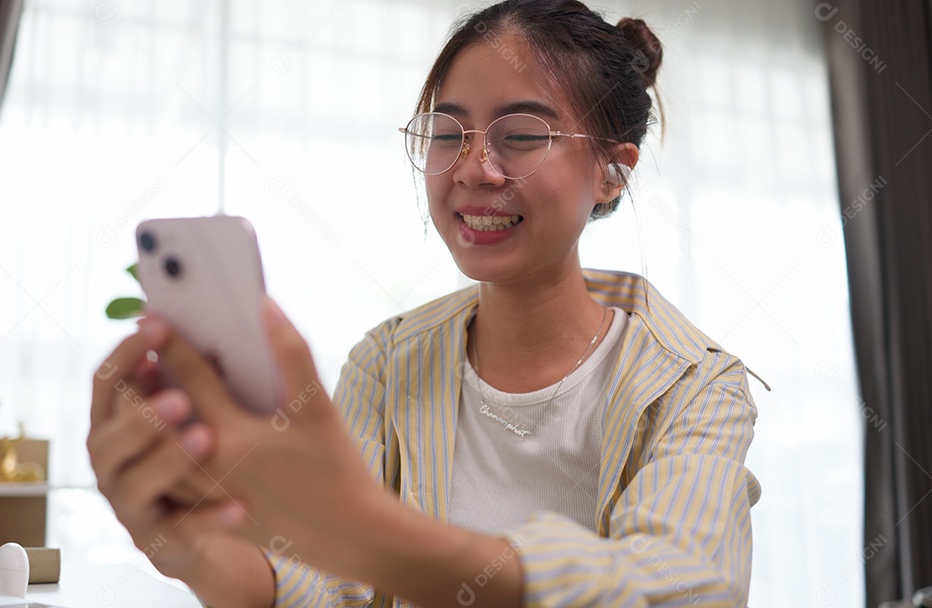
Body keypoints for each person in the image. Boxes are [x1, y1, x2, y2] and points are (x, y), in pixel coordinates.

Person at [88, 0, 763, 606]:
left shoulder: (696, 385)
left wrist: (363, 526)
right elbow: (324, 587)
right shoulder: (387, 361)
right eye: (448, 134)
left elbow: (679, 587)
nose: (473, 168)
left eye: (521, 136)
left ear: (611, 171)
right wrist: (197, 553)